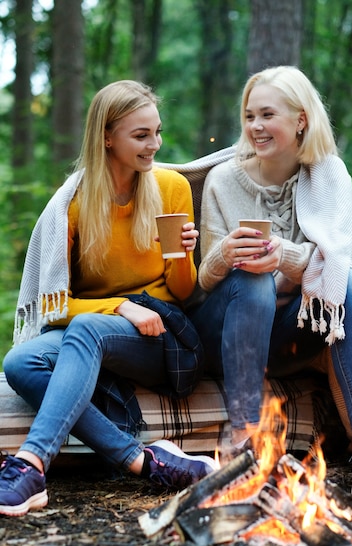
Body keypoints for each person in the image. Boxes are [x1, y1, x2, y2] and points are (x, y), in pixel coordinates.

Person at [0, 79, 216, 517]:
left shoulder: (172, 188)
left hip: (161, 335)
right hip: (101, 328)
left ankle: (31, 463)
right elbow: (55, 306)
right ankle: (143, 460)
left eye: (156, 132)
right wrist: (119, 306)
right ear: (106, 136)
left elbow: (183, 292)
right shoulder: (72, 206)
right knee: (20, 363)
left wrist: (182, 256)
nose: (154, 144)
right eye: (141, 135)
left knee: (87, 328)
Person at [189, 66, 352, 497]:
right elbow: (200, 285)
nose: (255, 126)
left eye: (267, 115)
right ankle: (247, 437)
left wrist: (281, 255)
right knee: (252, 281)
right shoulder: (222, 181)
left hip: (291, 335)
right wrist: (225, 255)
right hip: (226, 333)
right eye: (249, 116)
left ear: (301, 119)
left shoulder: (329, 176)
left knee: (350, 286)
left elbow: (335, 263)